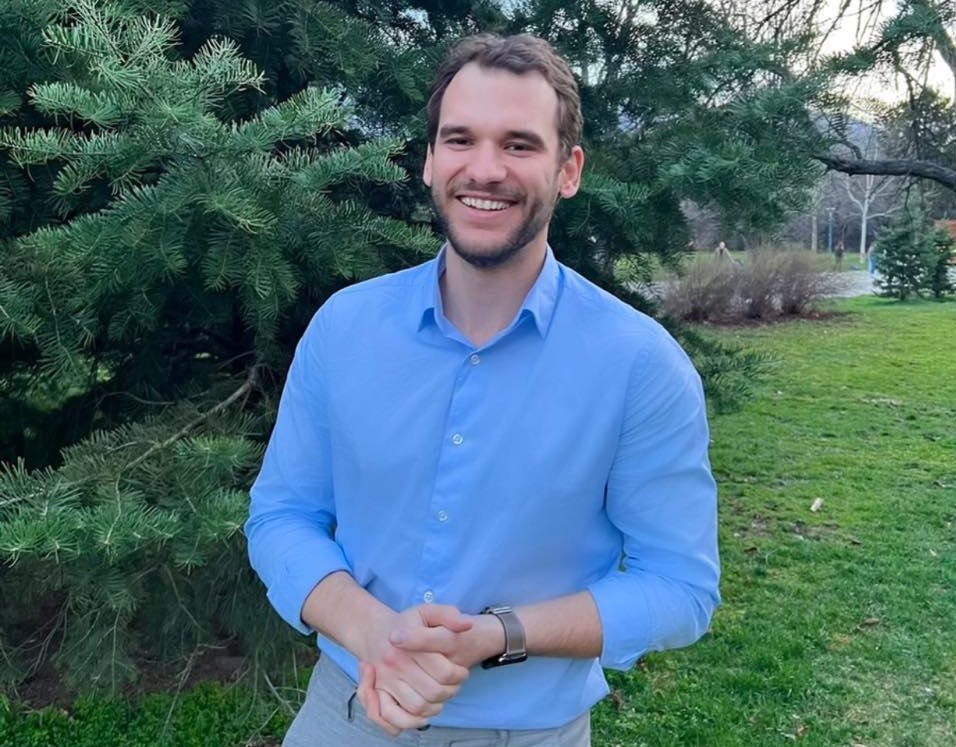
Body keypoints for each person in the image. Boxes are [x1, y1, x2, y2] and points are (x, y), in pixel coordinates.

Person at [245, 33, 719, 747]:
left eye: (519, 145)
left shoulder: (640, 365)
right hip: (342, 718)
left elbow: (680, 587)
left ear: (568, 170)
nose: (485, 169)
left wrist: (500, 634)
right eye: (460, 139)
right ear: (430, 161)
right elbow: (281, 514)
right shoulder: (345, 328)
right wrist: (374, 633)